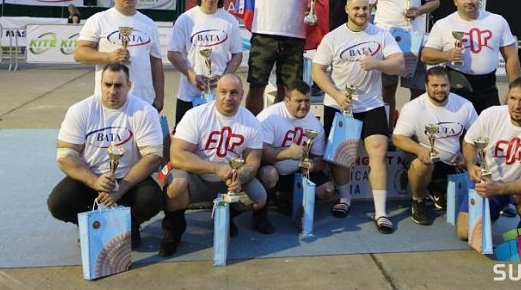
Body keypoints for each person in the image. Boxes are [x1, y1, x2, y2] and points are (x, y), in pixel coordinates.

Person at [311, 0, 404, 234]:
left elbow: (399, 64)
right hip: (339, 105)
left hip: (372, 105)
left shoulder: (381, 35)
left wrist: (377, 64)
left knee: (378, 154)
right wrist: (337, 95)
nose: (361, 12)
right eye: (356, 8)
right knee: (341, 157)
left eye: (365, 8)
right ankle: (345, 198)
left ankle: (381, 212)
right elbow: (317, 71)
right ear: (347, 10)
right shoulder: (333, 38)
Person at [47, 63, 163, 249]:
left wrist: (120, 189)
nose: (112, 91)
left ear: (129, 85)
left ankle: (129, 226)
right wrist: (94, 181)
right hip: (91, 176)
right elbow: (65, 156)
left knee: (152, 199)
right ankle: (90, 225)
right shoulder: (81, 110)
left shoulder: (144, 111)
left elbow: (153, 156)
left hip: (129, 178)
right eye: (107, 85)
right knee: (58, 203)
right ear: (100, 84)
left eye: (118, 86)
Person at [158, 74, 268, 257]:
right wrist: (215, 168)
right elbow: (177, 156)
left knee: (258, 199)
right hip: (196, 174)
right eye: (223, 92)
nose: (228, 97)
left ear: (242, 94)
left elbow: (253, 161)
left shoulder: (251, 122)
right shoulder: (196, 115)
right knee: (176, 186)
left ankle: (227, 216)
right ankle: (173, 230)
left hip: (228, 179)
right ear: (216, 92)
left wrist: (240, 177)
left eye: (234, 93)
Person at [456, 76, 521, 239]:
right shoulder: (491, 115)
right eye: (512, 98)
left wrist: (499, 188)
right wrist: (471, 165)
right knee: (465, 233)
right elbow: (469, 141)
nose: (516, 106)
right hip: (488, 183)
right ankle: (491, 212)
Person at [365, 0, 440, 129]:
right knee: (387, 89)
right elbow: (368, 4)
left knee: (417, 90)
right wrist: (367, 33)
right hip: (386, 38)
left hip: (413, 39)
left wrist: (419, 10)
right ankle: (387, 130)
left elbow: (435, 1)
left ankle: (410, 129)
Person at [392, 66, 477, 225]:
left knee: (481, 163)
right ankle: (418, 200)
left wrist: (468, 159)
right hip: (425, 159)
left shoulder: (465, 105)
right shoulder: (413, 107)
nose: (440, 90)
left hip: (452, 162)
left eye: (444, 85)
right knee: (422, 165)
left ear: (450, 85)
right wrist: (419, 150)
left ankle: (438, 189)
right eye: (435, 85)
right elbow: (398, 138)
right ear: (426, 86)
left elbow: (476, 137)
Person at [421, 0, 521, 114]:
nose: (469, 1)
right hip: (457, 87)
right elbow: (425, 55)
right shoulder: (443, 24)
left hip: (488, 88)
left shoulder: (497, 21)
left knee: (490, 125)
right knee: (459, 125)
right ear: (455, 1)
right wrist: (446, 55)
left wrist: (515, 89)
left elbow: (511, 57)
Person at [74, 0, 165, 112]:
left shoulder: (149, 24)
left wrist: (159, 99)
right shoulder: (99, 20)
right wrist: (109, 57)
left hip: (143, 102)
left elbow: (156, 64)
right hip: (110, 101)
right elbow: (79, 53)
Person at [167, 0, 242, 125]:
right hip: (189, 93)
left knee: (216, 135)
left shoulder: (230, 21)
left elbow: (237, 55)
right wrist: (192, 76)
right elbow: (172, 53)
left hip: (219, 95)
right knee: (183, 135)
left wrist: (223, 79)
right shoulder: (186, 19)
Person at [256, 80, 334, 220]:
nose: (303, 106)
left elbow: (320, 160)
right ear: (286, 100)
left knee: (327, 190)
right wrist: (288, 154)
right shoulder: (269, 117)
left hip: (298, 170)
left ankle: (291, 199)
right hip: (273, 168)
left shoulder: (314, 124)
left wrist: (312, 165)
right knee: (269, 174)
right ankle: (261, 217)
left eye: (307, 101)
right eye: (298, 101)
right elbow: (260, 153)